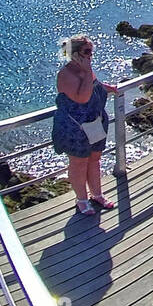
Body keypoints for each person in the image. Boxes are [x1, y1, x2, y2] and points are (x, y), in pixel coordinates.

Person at [51, 36, 119, 211]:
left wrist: (108, 88)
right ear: (74, 54)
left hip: (95, 122)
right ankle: (81, 199)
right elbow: (83, 97)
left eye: (91, 51)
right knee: (79, 162)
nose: (91, 55)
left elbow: (94, 85)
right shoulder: (66, 74)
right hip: (76, 128)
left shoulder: (86, 68)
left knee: (95, 159)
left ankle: (97, 195)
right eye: (87, 51)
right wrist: (88, 72)